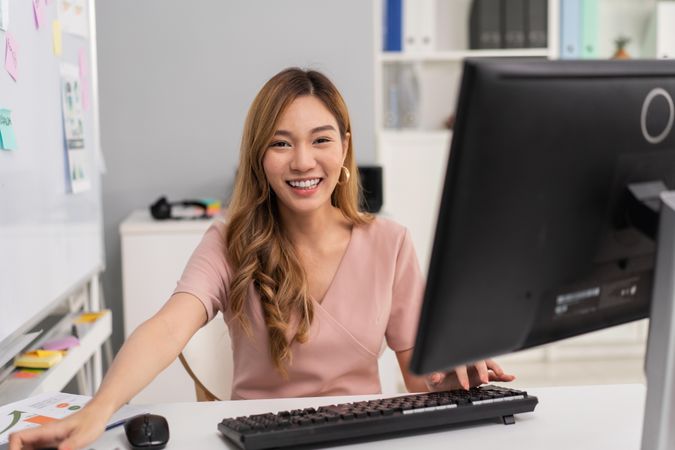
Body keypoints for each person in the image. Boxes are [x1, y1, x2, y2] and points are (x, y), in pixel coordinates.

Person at [9, 68, 514, 450]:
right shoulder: (229, 240)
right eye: (280, 143)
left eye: (321, 140)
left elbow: (415, 374)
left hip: (363, 438)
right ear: (258, 157)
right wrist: (99, 409)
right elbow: (168, 327)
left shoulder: (391, 242)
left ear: (344, 147)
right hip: (258, 441)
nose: (302, 161)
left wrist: (448, 375)